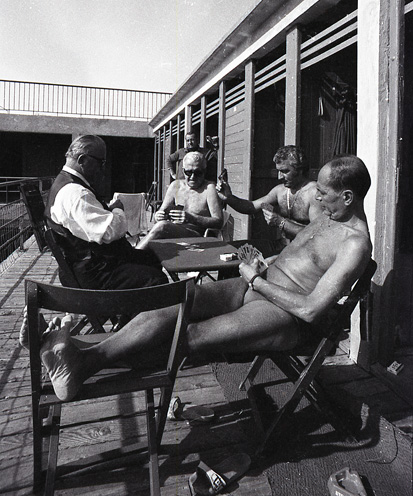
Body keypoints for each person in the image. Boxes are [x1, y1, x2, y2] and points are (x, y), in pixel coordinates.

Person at [29, 155, 372, 402]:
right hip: (258, 282)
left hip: (285, 314)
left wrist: (257, 282)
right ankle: (72, 352)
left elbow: (311, 309)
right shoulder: (328, 216)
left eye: (323, 193)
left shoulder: (355, 244)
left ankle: (81, 362)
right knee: (173, 302)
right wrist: (263, 262)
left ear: (347, 196)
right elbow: (299, 257)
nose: (316, 197)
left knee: (189, 336)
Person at [44, 134, 167, 290]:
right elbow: (111, 231)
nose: (102, 169)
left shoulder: (64, 183)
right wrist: (117, 209)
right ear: (82, 160)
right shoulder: (77, 193)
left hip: (82, 267)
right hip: (94, 273)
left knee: (150, 258)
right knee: (155, 279)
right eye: (100, 162)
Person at [217, 145, 323, 245]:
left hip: (305, 250)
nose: (279, 177)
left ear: (299, 170)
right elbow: (251, 207)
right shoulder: (280, 190)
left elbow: (317, 234)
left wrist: (281, 222)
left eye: (285, 171)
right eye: (278, 171)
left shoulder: (313, 192)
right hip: (284, 245)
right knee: (232, 248)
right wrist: (228, 198)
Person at [137, 151, 223, 250]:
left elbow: (219, 222)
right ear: (183, 171)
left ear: (204, 171)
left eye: (198, 173)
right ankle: (136, 255)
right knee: (159, 229)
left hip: (196, 236)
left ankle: (134, 254)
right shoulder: (176, 185)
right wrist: (158, 215)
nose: (192, 177)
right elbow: (160, 215)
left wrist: (192, 218)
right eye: (188, 172)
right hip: (173, 232)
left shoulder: (209, 188)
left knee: (162, 227)